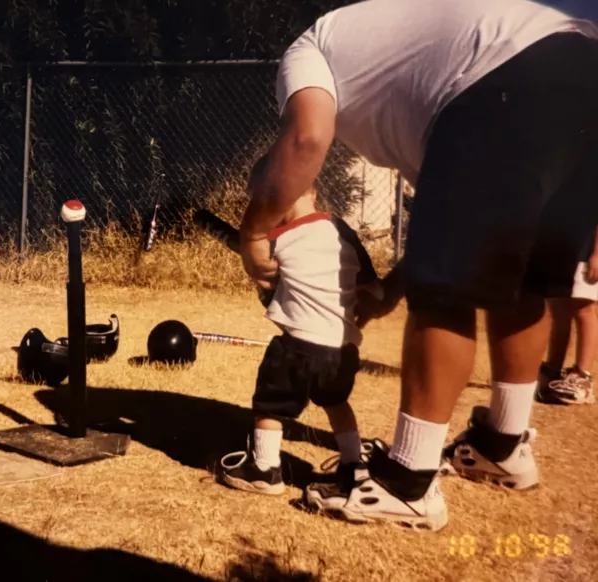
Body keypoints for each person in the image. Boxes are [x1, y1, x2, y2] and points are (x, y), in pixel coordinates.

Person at [238, 0, 598, 532]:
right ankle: (503, 443)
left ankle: (406, 481)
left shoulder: (307, 49)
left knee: (444, 296)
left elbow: (305, 139)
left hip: (502, 80)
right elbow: (453, 230)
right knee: (524, 277)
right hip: (582, 70)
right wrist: (391, 290)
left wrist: (252, 231)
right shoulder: (406, 74)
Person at [220, 154, 381, 497]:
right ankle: (354, 464)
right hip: (343, 349)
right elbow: (371, 289)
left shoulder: (276, 240)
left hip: (298, 347)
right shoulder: (343, 232)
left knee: (270, 405)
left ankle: (264, 468)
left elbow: (267, 283)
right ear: (314, 192)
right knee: (337, 403)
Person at [538, 225, 598, 405]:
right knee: (558, 310)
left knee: (583, 309)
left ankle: (582, 378)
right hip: (559, 248)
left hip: (586, 251)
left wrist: (596, 254)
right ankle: (552, 371)